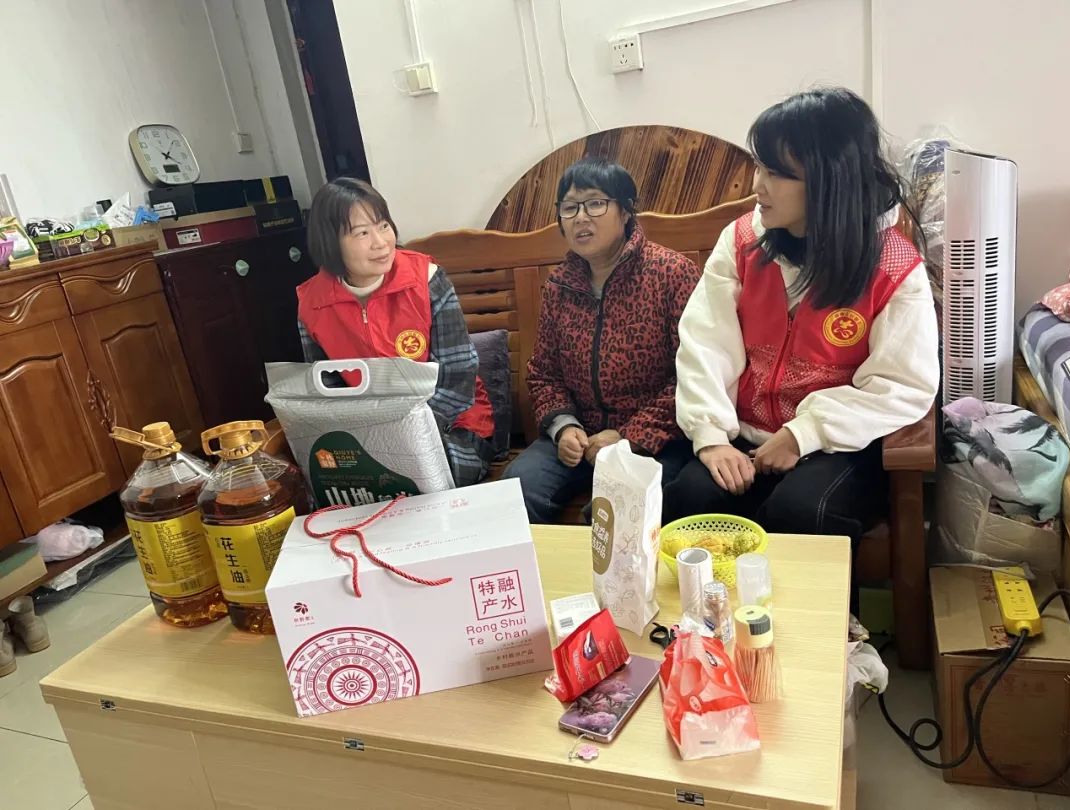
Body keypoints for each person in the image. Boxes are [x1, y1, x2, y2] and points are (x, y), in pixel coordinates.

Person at [664, 88, 939, 555]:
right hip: (744, 434)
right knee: (693, 499)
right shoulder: (742, 241)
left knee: (802, 511)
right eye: (760, 166)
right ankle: (705, 607)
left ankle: (825, 608)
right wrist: (710, 436)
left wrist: (802, 434)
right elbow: (704, 343)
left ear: (830, 181)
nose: (758, 185)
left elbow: (902, 385)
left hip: (838, 444)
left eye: (777, 173)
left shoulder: (893, 267)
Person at [502, 158, 699, 523]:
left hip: (656, 442)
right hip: (580, 439)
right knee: (515, 492)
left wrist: (628, 436)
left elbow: (692, 377)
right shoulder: (559, 286)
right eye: (569, 208)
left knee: (615, 512)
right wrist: (565, 427)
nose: (580, 218)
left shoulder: (671, 274)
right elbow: (544, 373)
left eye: (594, 203)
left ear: (625, 211)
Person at [296, 177, 495, 486]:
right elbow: (327, 393)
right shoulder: (312, 304)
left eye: (383, 225)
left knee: (422, 474)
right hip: (369, 437)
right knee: (327, 477)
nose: (381, 242)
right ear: (330, 242)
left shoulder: (427, 280)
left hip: (452, 425)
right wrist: (367, 440)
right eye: (362, 233)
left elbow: (458, 377)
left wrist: (402, 436)